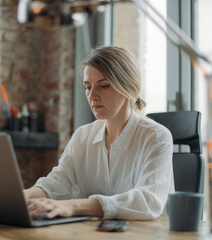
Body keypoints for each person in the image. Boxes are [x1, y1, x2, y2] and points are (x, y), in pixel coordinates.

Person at [23, 46, 174, 220]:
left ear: (129, 88)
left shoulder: (156, 137)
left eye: (103, 86)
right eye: (88, 87)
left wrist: (73, 206)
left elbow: (147, 201)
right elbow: (60, 181)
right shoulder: (82, 136)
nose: (92, 95)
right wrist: (24, 196)